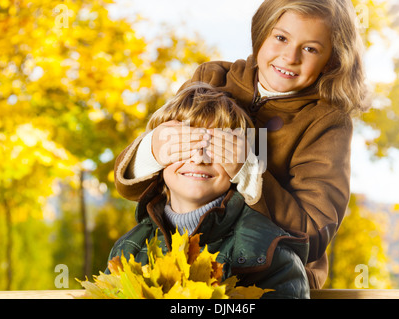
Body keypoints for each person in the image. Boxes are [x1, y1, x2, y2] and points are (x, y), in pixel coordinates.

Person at [113, 0, 368, 289]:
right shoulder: (212, 78)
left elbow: (314, 231)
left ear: (332, 60)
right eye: (281, 37)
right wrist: (154, 147)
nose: (290, 56)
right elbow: (140, 184)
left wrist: (250, 171)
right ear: (261, 34)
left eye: (311, 48)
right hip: (188, 253)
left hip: (269, 273)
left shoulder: (326, 121)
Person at [107, 83, 310, 299]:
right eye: (184, 145)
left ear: (238, 165)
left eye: (217, 148)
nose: (199, 158)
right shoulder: (128, 250)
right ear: (157, 157)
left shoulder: (270, 254)